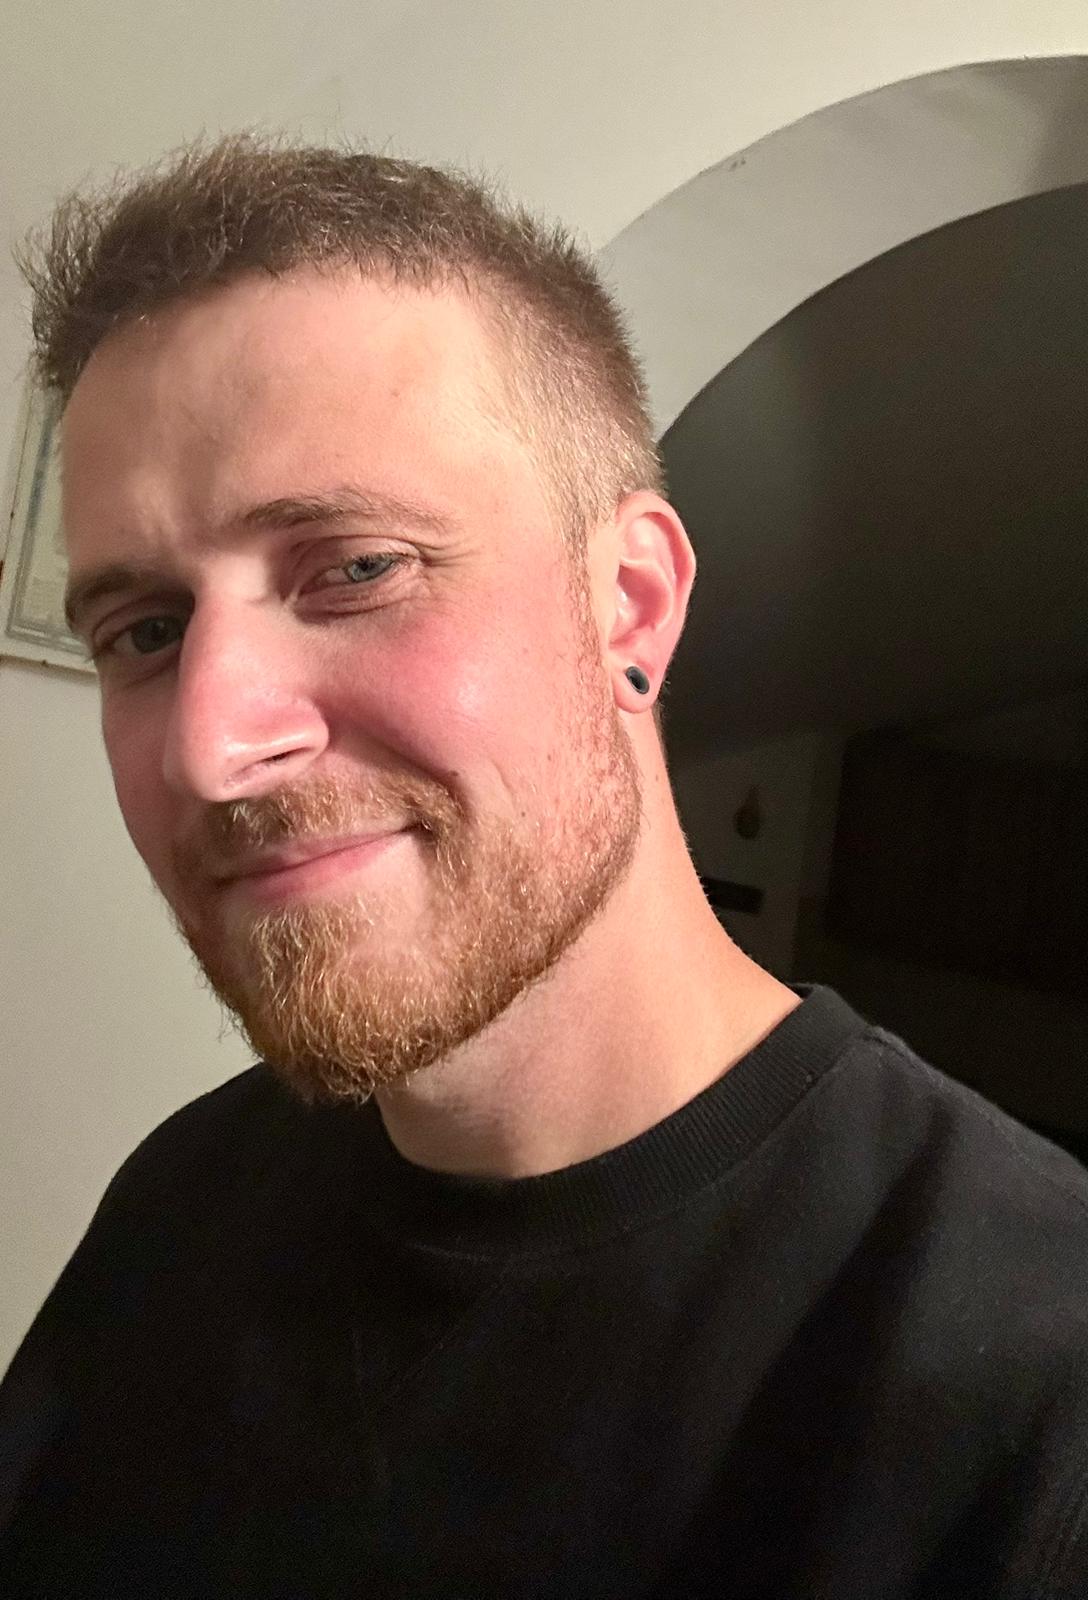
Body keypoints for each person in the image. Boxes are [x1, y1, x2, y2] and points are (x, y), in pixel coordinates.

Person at [1, 135, 1087, 1600]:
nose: (209, 744)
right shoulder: (183, 1204)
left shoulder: (1033, 1393)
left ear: (630, 606)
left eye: (357, 567)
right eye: (143, 630)